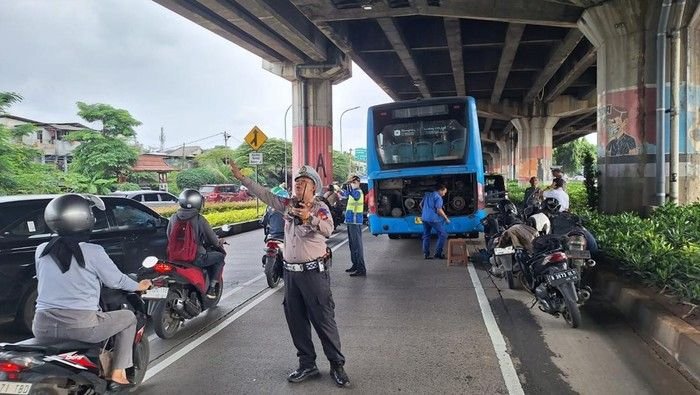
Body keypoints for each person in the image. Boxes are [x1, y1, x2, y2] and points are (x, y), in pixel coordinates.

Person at [230, 161, 350, 387]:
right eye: (296, 182)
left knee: (323, 320)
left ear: (314, 187)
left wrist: (308, 218)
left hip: (314, 274)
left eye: (303, 182)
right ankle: (307, 364)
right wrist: (242, 178)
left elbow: (328, 229)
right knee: (296, 320)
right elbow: (264, 194)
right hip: (291, 275)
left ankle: (337, 365)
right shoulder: (286, 205)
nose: (298, 186)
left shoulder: (319, 208)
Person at [32, 194, 152, 391]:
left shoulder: (42, 250)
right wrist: (140, 285)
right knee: (128, 318)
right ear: (86, 219)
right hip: (80, 326)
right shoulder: (93, 251)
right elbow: (116, 280)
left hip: (41, 326)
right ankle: (118, 372)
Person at [167, 189, 225, 299]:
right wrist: (219, 242)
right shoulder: (199, 219)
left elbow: (169, 235)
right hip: (195, 257)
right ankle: (212, 289)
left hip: (174, 257)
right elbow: (212, 239)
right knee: (220, 257)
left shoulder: (173, 217)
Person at [340, 175, 367, 277]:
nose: (351, 184)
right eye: (351, 183)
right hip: (350, 221)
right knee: (352, 245)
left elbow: (354, 195)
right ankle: (355, 264)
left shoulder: (358, 192)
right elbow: (346, 195)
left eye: (353, 182)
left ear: (357, 182)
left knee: (357, 246)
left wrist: (349, 189)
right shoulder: (352, 192)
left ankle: (361, 268)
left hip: (355, 222)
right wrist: (343, 191)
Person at [419, 184, 451, 260]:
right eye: (444, 192)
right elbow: (439, 210)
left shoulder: (428, 195)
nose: (444, 194)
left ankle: (426, 254)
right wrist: (446, 218)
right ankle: (438, 254)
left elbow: (420, 205)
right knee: (443, 234)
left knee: (426, 235)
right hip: (433, 219)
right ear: (440, 190)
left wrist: (426, 211)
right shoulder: (438, 197)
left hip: (424, 218)